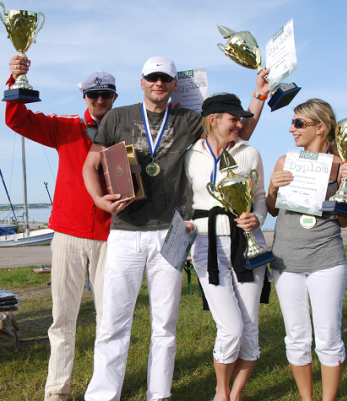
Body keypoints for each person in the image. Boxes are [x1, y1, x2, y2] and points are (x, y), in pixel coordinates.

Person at [82, 56, 269, 401]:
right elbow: (91, 164)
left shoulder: (187, 119)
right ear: (141, 82)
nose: (158, 83)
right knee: (113, 321)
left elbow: (234, 129)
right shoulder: (118, 116)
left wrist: (258, 96)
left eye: (165, 78)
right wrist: (99, 200)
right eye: (152, 77)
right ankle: (102, 395)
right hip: (125, 229)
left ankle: (160, 393)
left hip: (170, 231)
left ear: (172, 84)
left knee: (164, 324)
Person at [5, 55, 118, 401]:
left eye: (107, 95)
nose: (100, 101)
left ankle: (104, 390)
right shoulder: (65, 126)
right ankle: (57, 391)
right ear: (84, 96)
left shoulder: (126, 131)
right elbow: (17, 120)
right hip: (67, 234)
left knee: (109, 321)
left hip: (111, 236)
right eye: (94, 95)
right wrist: (15, 80)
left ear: (114, 98)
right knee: (62, 318)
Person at [265, 99, 347, 401]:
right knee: (296, 337)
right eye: (292, 122)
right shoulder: (284, 162)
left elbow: (344, 221)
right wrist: (272, 187)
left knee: (329, 338)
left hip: (326, 259)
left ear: (320, 128)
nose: (292, 129)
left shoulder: (343, 164)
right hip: (286, 260)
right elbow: (270, 209)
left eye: (299, 123)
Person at [184, 93, 270, 401]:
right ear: (213, 120)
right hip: (207, 245)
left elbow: (260, 196)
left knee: (249, 330)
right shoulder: (189, 155)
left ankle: (235, 395)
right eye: (233, 118)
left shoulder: (250, 152)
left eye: (241, 118)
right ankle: (220, 392)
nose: (240, 123)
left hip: (248, 246)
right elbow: (182, 201)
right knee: (231, 328)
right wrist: (185, 224)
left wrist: (257, 218)